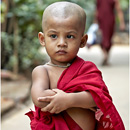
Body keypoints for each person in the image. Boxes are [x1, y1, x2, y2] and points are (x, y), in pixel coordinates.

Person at [25, 2, 125, 130]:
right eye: (54, 36)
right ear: (42, 39)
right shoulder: (42, 71)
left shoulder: (87, 69)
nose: (62, 43)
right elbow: (39, 98)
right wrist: (79, 99)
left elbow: (100, 98)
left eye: (70, 36)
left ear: (82, 41)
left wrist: (69, 100)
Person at [95, 0, 125, 65]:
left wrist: (122, 23)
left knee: (109, 39)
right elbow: (97, 10)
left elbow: (119, 10)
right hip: (101, 20)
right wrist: (95, 22)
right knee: (101, 39)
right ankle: (105, 55)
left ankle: (106, 56)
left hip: (110, 21)